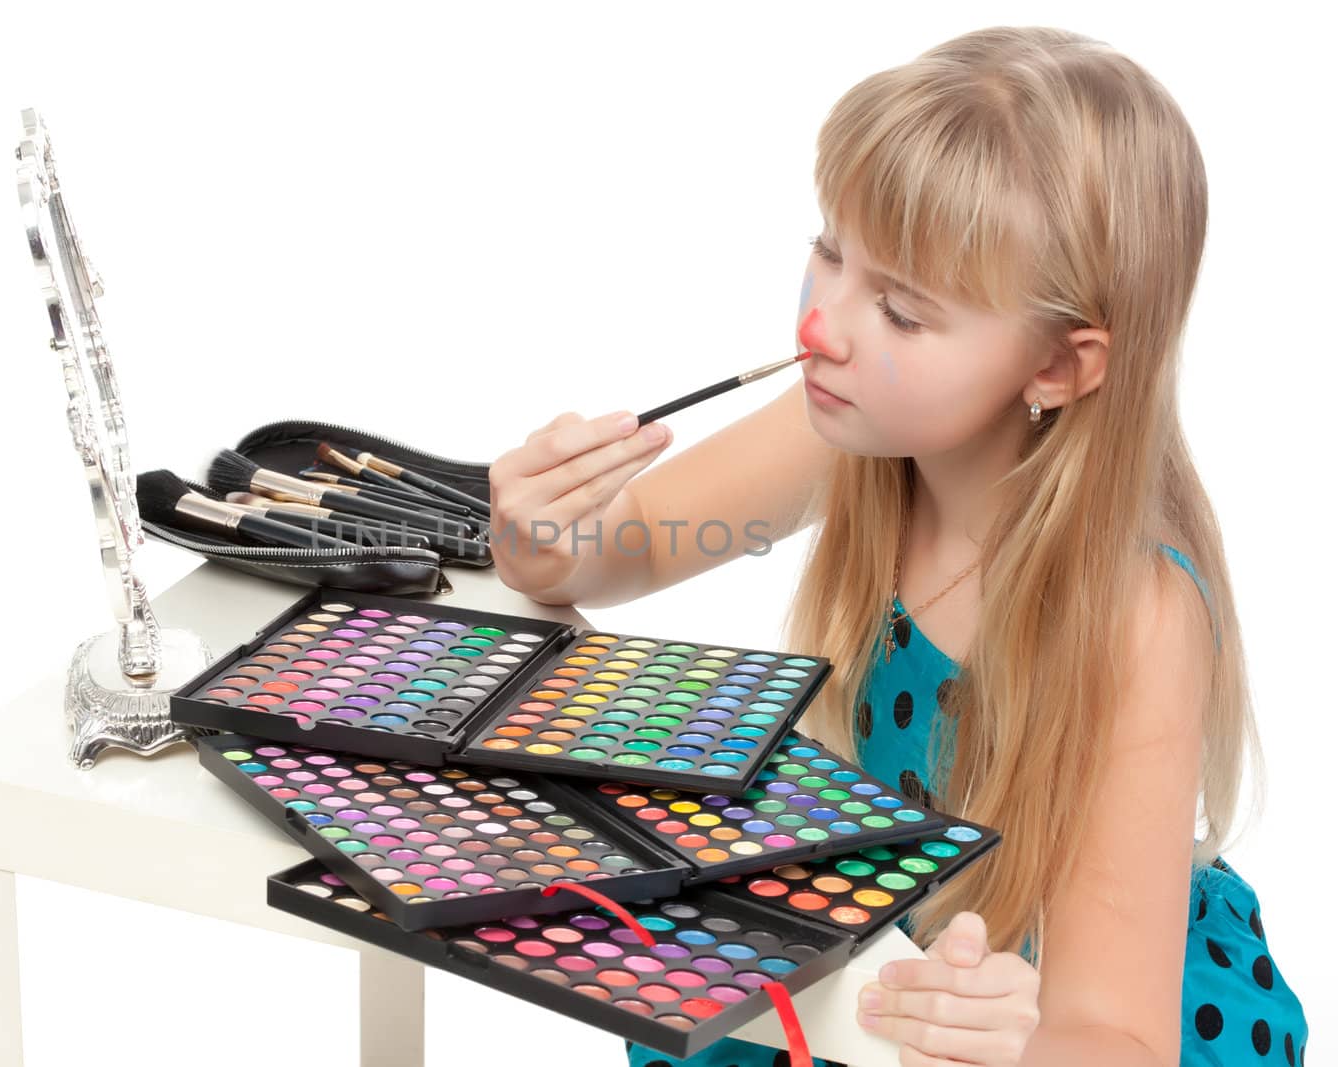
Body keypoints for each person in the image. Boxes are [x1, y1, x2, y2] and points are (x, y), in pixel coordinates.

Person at [486, 25, 1308, 1067]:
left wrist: (1027, 1037)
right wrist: (548, 545)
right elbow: (641, 543)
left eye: (902, 311)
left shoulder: (1133, 613)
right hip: (883, 932)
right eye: (831, 249)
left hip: (1057, 1012)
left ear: (1059, 365)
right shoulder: (856, 421)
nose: (823, 327)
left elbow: (1121, 1032)